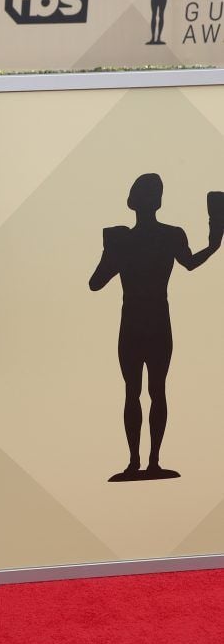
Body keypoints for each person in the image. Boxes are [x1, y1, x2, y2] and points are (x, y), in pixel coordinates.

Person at [89, 174, 221, 481]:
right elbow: (190, 262)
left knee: (135, 392)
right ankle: (149, 463)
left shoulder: (122, 239)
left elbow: (96, 282)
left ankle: (139, 463)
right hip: (157, 322)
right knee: (154, 391)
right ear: (157, 201)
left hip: (134, 322)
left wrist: (111, 250)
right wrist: (214, 243)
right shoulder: (171, 236)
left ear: (132, 202)